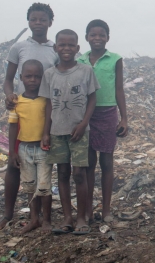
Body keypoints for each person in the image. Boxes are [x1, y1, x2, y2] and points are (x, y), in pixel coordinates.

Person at [0, 2, 58, 231]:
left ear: (51, 22)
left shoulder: (55, 49)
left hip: (46, 113)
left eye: (42, 19)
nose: (38, 23)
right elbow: (9, 79)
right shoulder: (18, 48)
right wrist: (10, 95)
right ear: (28, 22)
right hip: (22, 113)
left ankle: (42, 217)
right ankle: (8, 214)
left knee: (43, 166)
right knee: (15, 163)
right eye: (33, 19)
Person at [40, 29, 99, 235]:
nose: (66, 49)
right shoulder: (49, 74)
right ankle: (67, 218)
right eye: (62, 45)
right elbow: (48, 104)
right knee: (62, 173)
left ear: (77, 48)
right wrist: (46, 132)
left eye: (70, 45)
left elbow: (92, 99)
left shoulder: (85, 71)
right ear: (55, 48)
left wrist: (84, 123)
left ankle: (82, 218)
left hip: (79, 131)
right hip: (57, 131)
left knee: (79, 174)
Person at [78, 19, 128, 226]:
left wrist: (124, 117)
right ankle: (88, 210)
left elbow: (118, 89)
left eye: (101, 35)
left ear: (108, 37)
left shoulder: (115, 59)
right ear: (87, 37)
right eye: (93, 35)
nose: (97, 38)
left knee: (106, 162)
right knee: (88, 163)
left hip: (107, 112)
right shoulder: (79, 61)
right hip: (85, 114)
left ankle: (106, 209)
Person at [8, 60, 52, 234]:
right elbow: (12, 126)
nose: (33, 80)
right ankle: (34, 219)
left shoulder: (45, 101)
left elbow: (50, 121)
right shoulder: (16, 102)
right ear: (21, 78)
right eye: (28, 76)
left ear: (43, 78)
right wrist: (12, 152)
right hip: (24, 149)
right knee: (29, 186)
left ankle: (47, 220)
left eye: (37, 76)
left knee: (44, 186)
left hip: (43, 149)